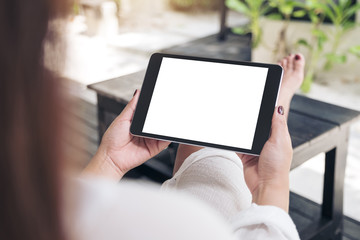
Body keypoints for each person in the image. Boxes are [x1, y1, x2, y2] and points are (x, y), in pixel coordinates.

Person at [0, 0, 304, 239]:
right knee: (221, 153)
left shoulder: (32, 218)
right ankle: (278, 103)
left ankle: (269, 104)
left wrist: (109, 161)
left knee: (202, 141)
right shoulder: (162, 222)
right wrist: (273, 183)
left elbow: (68, 218)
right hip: (204, 220)